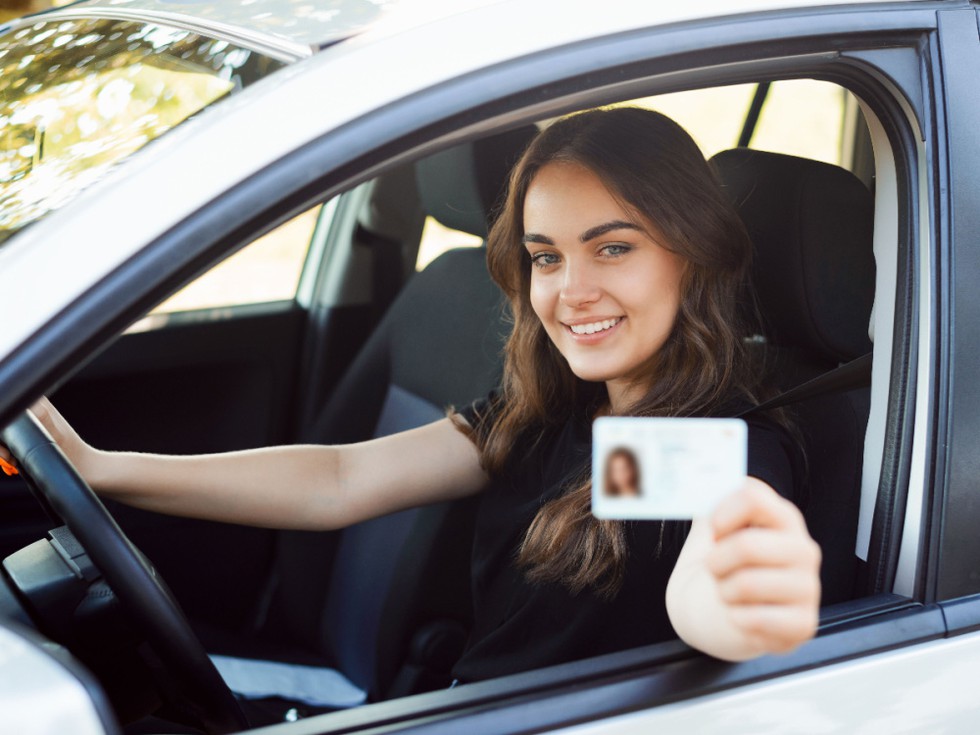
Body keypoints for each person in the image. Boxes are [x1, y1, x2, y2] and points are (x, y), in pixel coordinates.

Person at [1, 107, 821, 682]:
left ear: (693, 251)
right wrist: (96, 468)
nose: (572, 292)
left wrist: (744, 603)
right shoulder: (564, 410)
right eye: (546, 257)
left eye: (612, 249)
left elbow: (711, 586)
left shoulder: (712, 442)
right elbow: (340, 481)